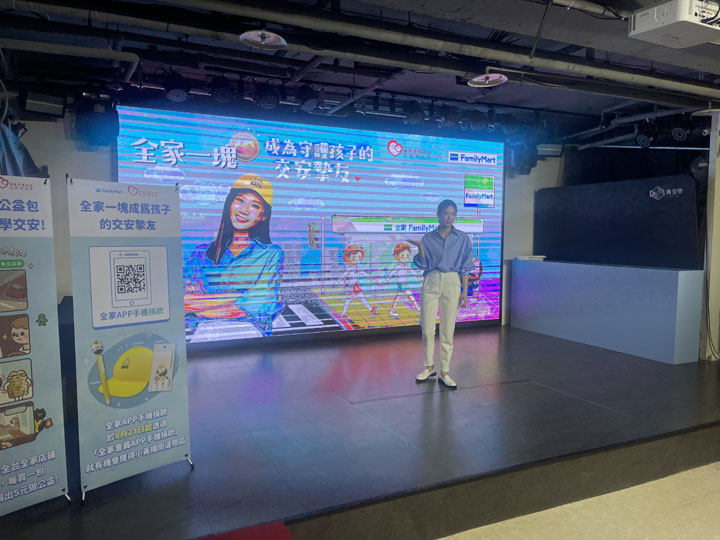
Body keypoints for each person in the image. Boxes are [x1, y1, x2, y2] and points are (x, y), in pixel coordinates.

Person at [183, 174, 285, 337]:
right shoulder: (200, 254)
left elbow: (260, 303)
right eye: (240, 200)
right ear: (230, 203)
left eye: (255, 206)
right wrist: (240, 296)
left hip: (251, 336)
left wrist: (201, 309)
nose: (244, 210)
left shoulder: (271, 254)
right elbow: (185, 302)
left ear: (263, 215)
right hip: (203, 336)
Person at [408, 199, 473, 389]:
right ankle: (429, 367)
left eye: (453, 214)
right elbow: (423, 264)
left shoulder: (462, 238)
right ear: (438, 215)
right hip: (432, 280)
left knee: (447, 329)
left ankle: (445, 372)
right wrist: (420, 249)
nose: (449, 217)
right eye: (446, 213)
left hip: (452, 281)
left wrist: (465, 291)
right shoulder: (428, 238)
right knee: (427, 328)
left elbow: (466, 266)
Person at [382, 243, 422, 319]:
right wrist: (386, 279)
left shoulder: (405, 266)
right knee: (408, 295)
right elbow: (391, 273)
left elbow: (412, 271)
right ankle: (418, 308)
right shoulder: (398, 266)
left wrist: (418, 276)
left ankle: (392, 310)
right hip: (402, 284)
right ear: (396, 256)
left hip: (403, 284)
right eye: (402, 255)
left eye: (407, 255)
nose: (405, 257)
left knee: (399, 296)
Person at [336, 245, 377, 318]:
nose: (357, 259)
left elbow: (363, 273)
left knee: (357, 298)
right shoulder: (350, 268)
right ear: (348, 258)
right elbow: (344, 275)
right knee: (353, 298)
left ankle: (370, 309)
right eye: (354, 257)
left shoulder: (356, 267)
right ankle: (343, 313)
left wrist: (370, 278)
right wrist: (338, 282)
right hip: (351, 287)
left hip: (355, 285)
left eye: (359, 257)